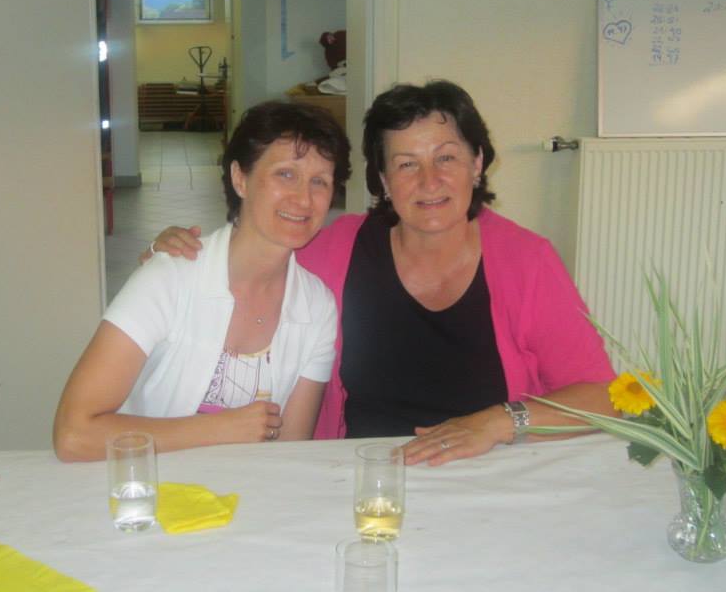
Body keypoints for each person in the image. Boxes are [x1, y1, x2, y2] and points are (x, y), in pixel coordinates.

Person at [147, 81, 616, 466]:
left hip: (488, 478)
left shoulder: (526, 261)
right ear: (385, 181)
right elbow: (243, 267)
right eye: (406, 164)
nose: (429, 181)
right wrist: (172, 253)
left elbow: (602, 396)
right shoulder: (336, 249)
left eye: (446, 158)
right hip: (361, 477)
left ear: (477, 163)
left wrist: (497, 422)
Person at [52, 101, 351, 462]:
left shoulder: (318, 307)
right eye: (285, 174)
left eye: (320, 181)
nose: (303, 198)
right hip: (149, 486)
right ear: (240, 178)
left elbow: (290, 453)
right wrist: (218, 430)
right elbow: (73, 434)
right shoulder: (170, 276)